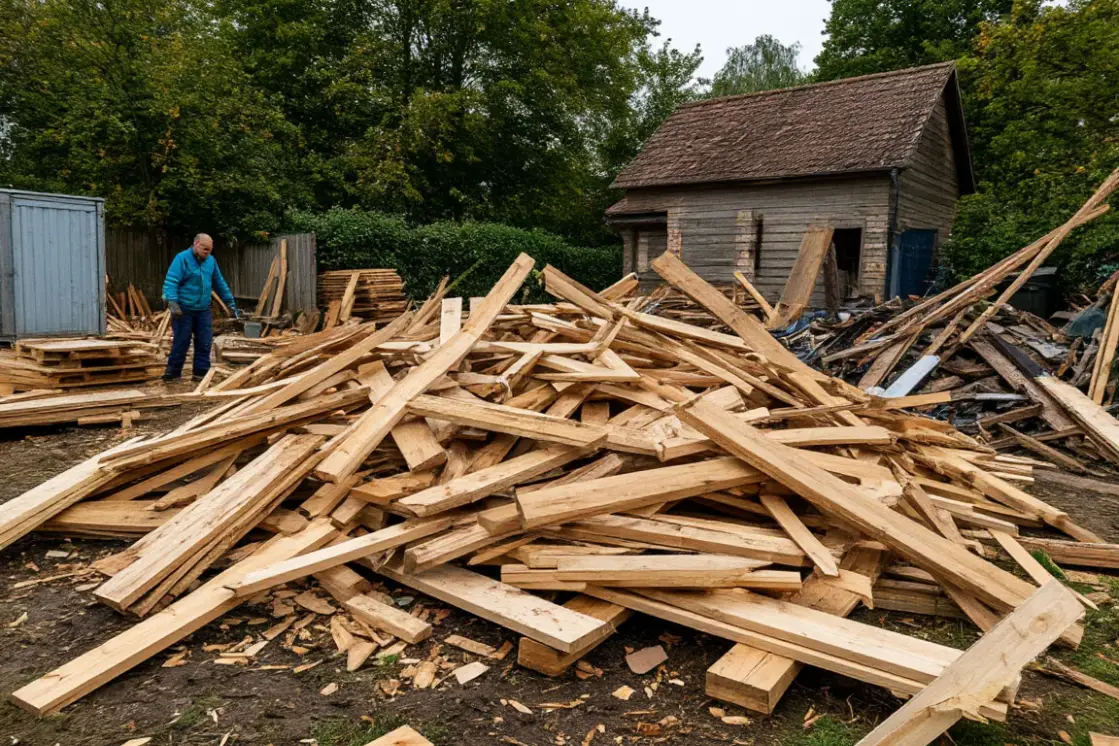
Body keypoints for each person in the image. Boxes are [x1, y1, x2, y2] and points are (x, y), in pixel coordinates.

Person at [161, 233, 240, 382]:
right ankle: (173, 374)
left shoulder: (211, 261)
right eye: (205, 249)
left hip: (203, 309)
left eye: (210, 250)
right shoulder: (182, 259)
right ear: (196, 244)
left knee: (204, 342)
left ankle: (200, 373)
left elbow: (219, 282)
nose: (207, 252)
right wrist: (172, 302)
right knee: (181, 342)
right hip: (184, 309)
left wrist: (230, 302)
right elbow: (171, 280)